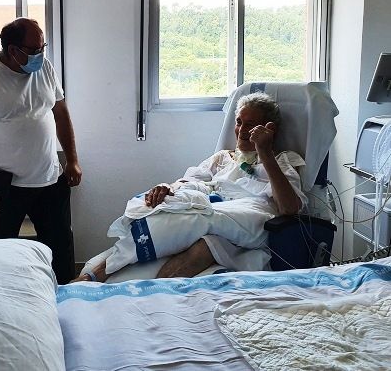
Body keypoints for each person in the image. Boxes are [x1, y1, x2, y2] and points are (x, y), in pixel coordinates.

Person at [74, 92, 305, 283]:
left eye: (251, 124)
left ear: (269, 129)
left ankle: (97, 275)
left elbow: (289, 208)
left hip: (250, 219)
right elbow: (188, 181)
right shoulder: (222, 158)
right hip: (215, 224)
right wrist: (168, 188)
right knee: (178, 215)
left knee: (199, 215)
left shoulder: (283, 161)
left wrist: (265, 153)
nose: (242, 130)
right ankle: (123, 285)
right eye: (238, 122)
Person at [0, 17, 82, 284]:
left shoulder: (45, 68)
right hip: (3, 188)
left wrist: (72, 160)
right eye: (35, 49)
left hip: (49, 181)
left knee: (60, 250)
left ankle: (65, 300)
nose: (41, 55)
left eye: (43, 47)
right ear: (13, 50)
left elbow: (61, 114)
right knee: (1, 257)